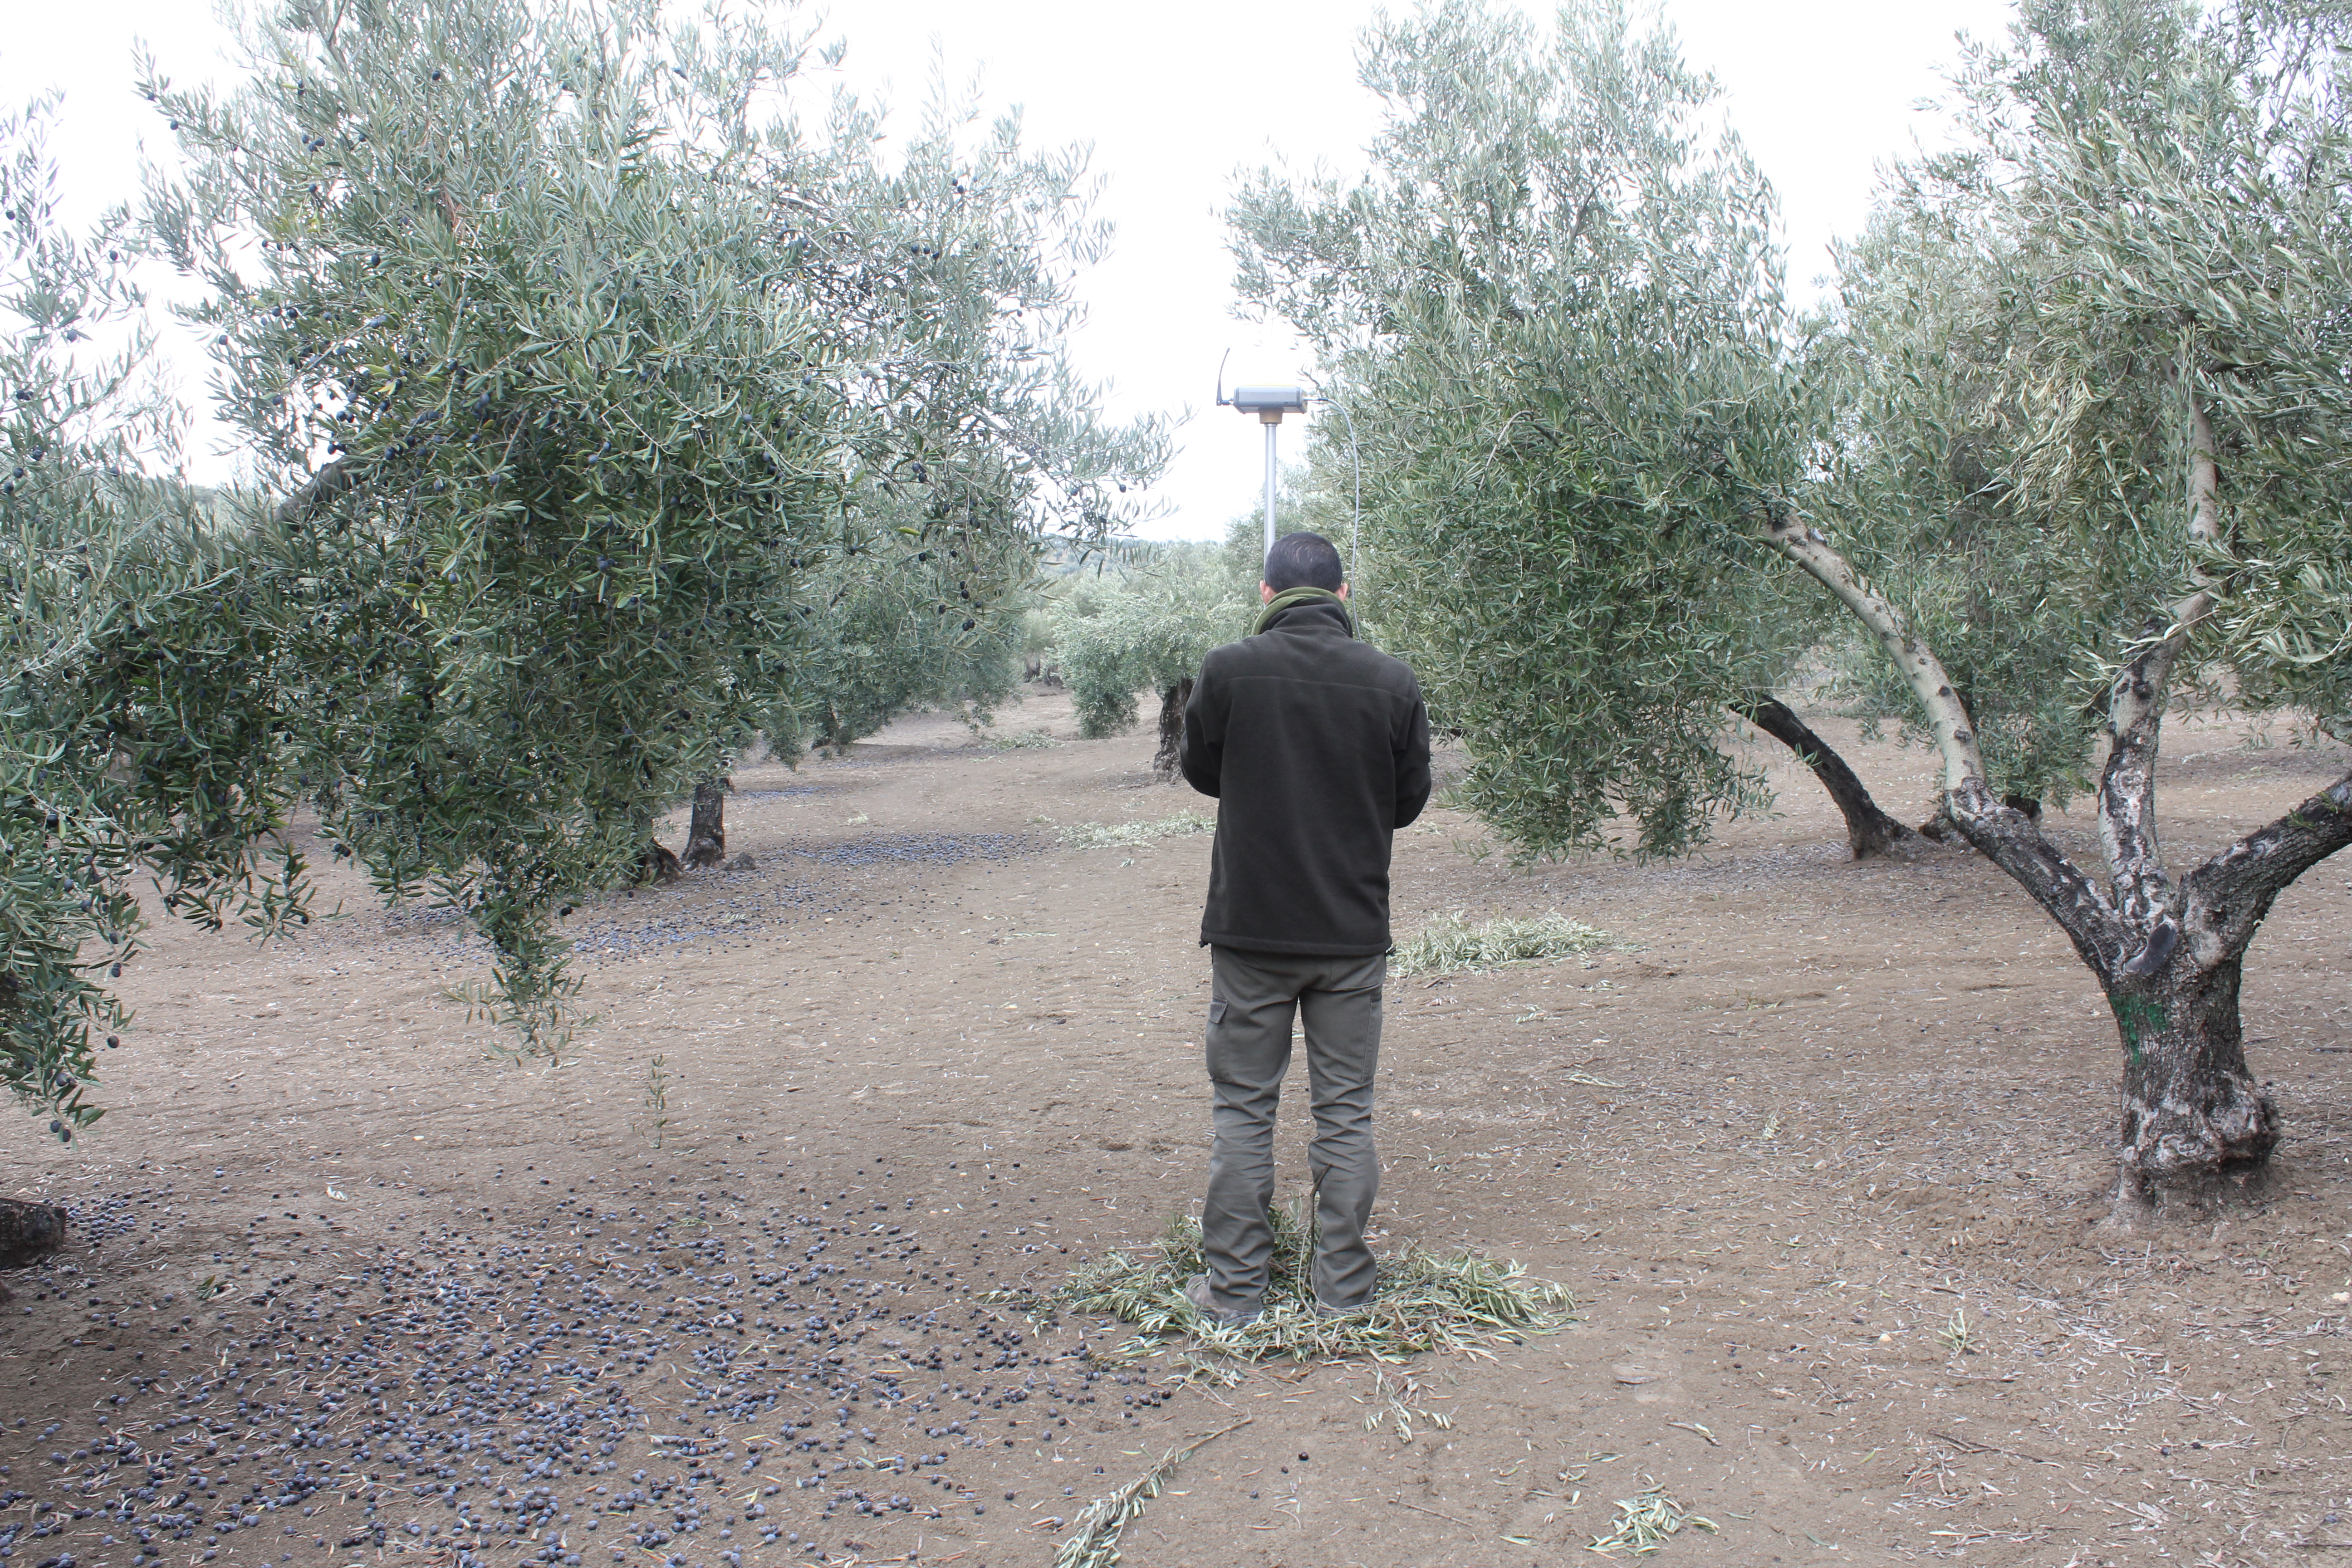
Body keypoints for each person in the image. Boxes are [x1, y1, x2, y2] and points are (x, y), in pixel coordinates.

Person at [1176, 529, 1432, 1325]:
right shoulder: (1393, 682)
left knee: (1243, 1113)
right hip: (1351, 937)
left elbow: (1202, 771)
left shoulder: (1227, 670)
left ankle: (1235, 1296)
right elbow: (1409, 802)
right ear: (1343, 595)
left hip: (1250, 935)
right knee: (1346, 1113)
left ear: (1265, 595)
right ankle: (1345, 1295)